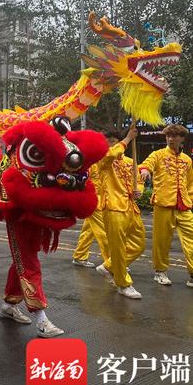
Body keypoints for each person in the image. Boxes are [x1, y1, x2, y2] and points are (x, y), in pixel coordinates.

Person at [94, 126, 146, 298]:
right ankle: (123, 283)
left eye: (113, 142)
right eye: (107, 143)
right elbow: (110, 155)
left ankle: (108, 266)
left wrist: (139, 190)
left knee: (139, 244)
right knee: (117, 247)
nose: (110, 146)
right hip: (113, 206)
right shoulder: (102, 159)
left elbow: (138, 181)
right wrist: (128, 138)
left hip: (131, 207)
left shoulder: (132, 162)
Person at [140, 124, 193, 287]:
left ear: (182, 139)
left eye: (175, 136)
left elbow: (190, 183)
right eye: (168, 136)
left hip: (183, 205)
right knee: (162, 241)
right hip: (163, 203)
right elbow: (145, 165)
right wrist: (144, 171)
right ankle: (160, 271)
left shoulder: (187, 160)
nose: (171, 139)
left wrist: (190, 200)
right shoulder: (158, 154)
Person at [72, 163, 110, 268]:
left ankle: (80, 256)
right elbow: (82, 182)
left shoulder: (104, 162)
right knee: (104, 231)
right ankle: (112, 262)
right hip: (94, 200)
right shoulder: (92, 164)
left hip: (100, 199)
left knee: (89, 231)